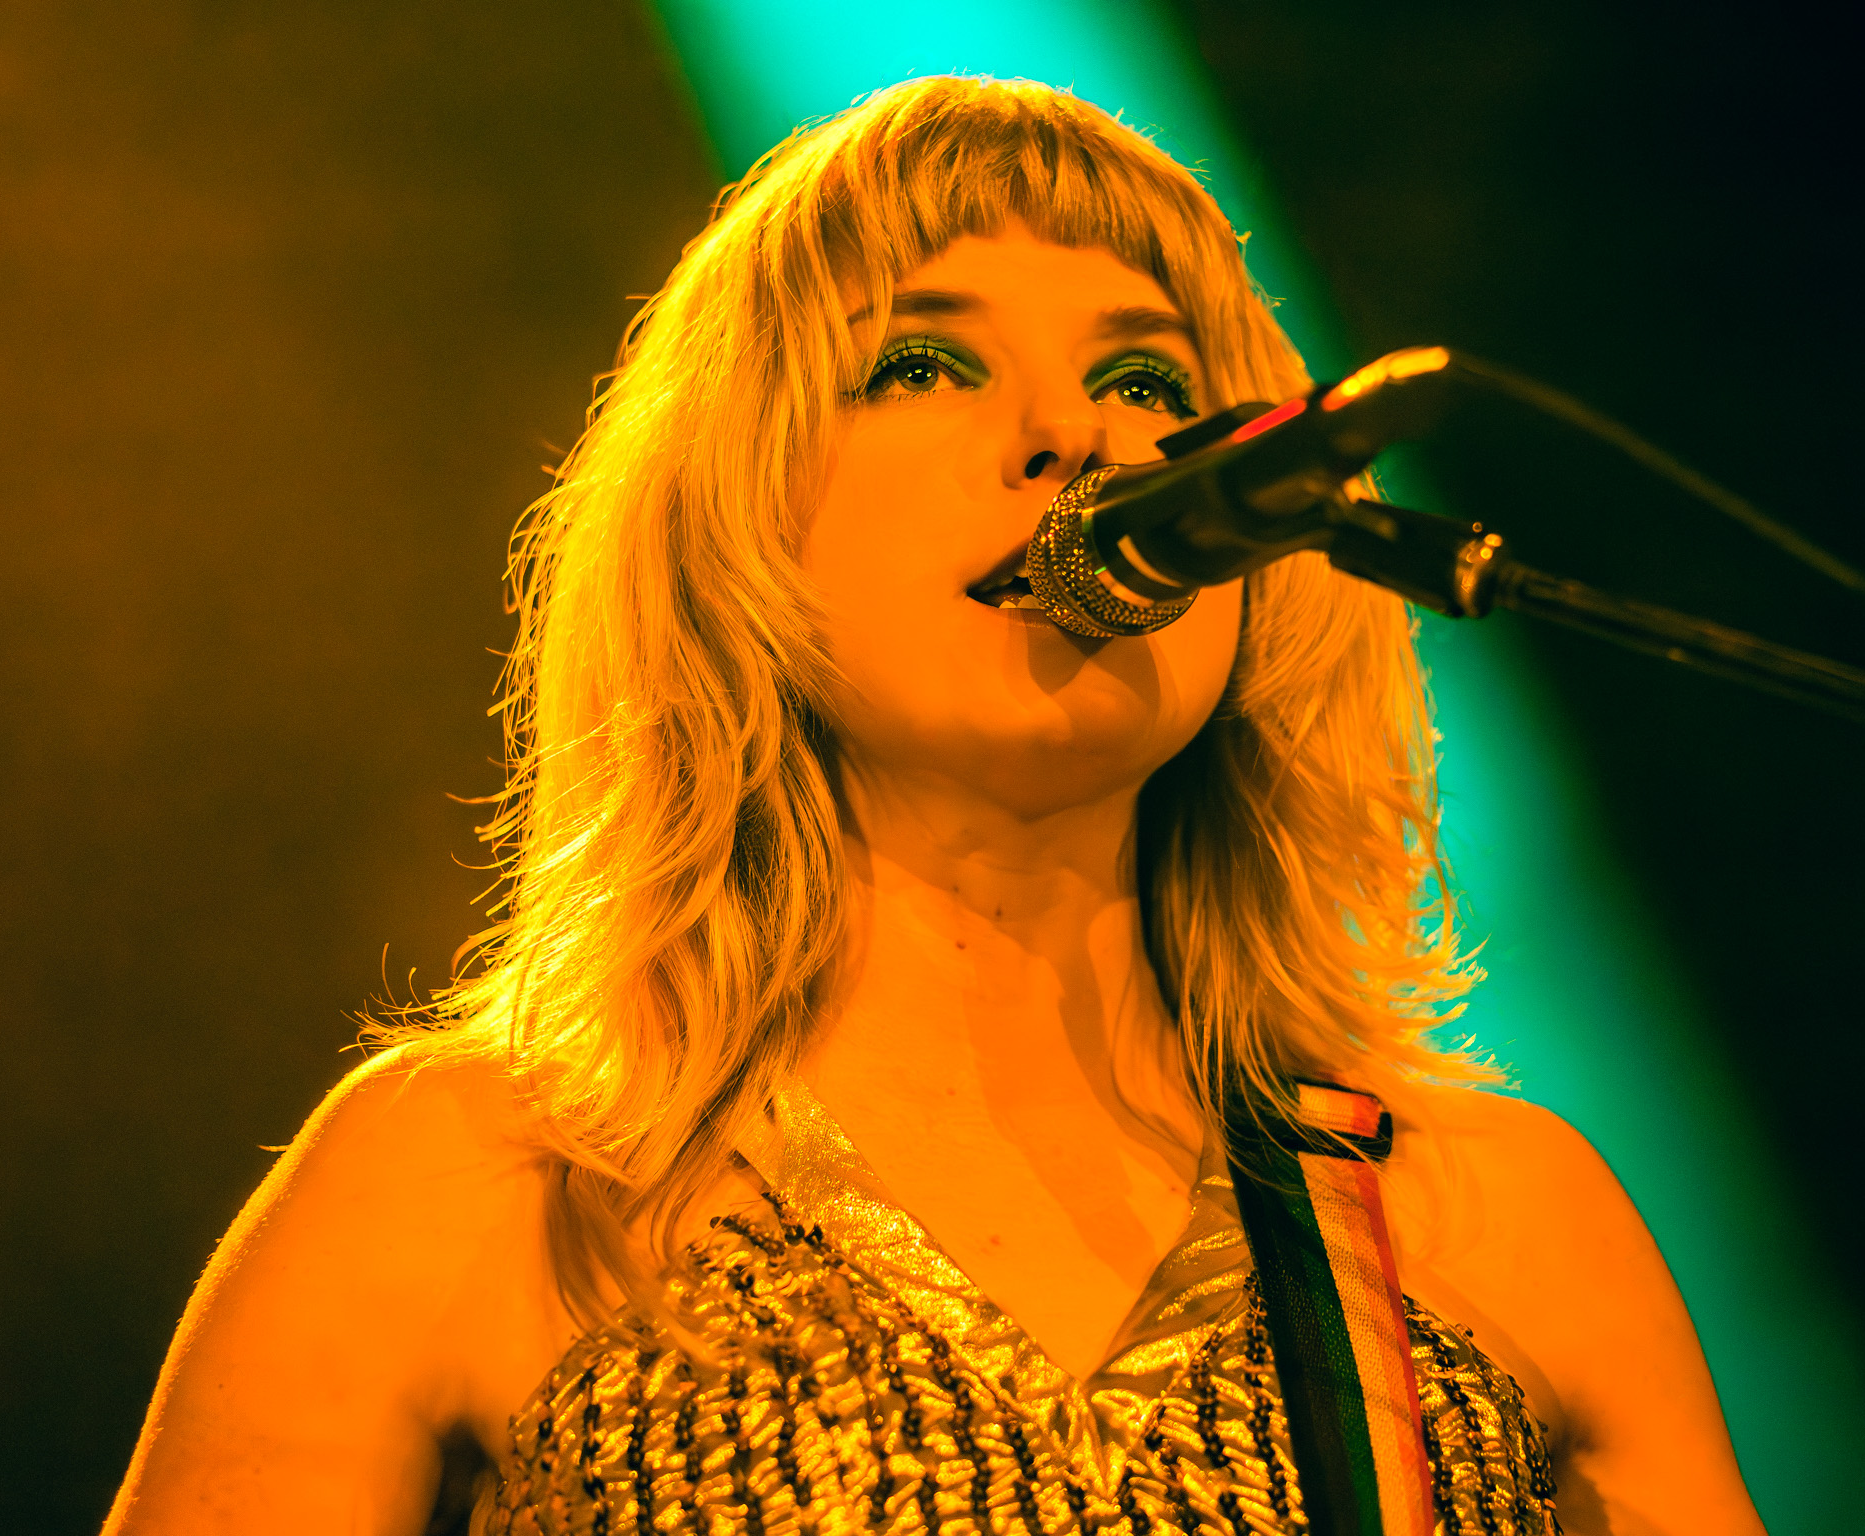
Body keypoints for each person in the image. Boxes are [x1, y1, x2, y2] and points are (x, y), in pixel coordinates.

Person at [104, 77, 1765, 1536]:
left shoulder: (1490, 1220)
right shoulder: (476, 1185)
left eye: (1145, 379)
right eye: (921, 362)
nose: (1071, 433)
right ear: (734, 525)